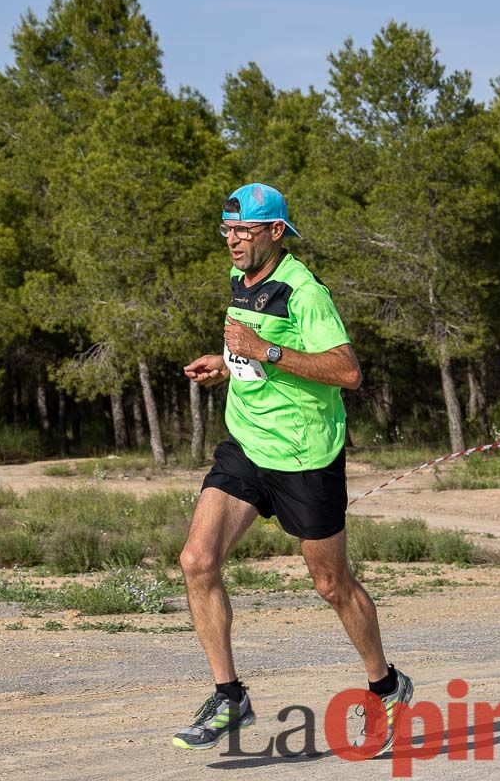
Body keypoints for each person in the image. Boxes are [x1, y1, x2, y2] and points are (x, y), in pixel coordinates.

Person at [174, 182, 412, 753]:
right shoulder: (242, 279)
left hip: (305, 456)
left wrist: (265, 352)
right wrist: (228, 364)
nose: (233, 241)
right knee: (196, 560)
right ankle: (230, 697)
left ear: (274, 233)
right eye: (227, 231)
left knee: (331, 585)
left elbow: (347, 371)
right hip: (247, 444)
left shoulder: (305, 291)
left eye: (244, 232)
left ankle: (387, 687)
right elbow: (253, 349)